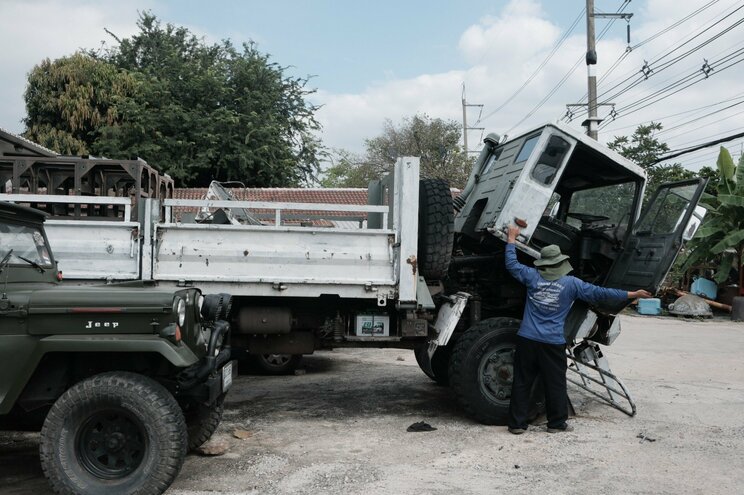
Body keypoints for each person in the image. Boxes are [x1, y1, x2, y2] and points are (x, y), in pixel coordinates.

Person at [504, 223, 652, 434]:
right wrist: (632, 294)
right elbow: (601, 293)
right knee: (554, 383)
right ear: (560, 263)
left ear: (543, 263)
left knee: (521, 382)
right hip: (552, 343)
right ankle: (556, 424)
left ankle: (517, 425)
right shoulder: (572, 284)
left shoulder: (531, 277)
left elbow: (511, 264)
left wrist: (511, 238)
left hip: (527, 338)